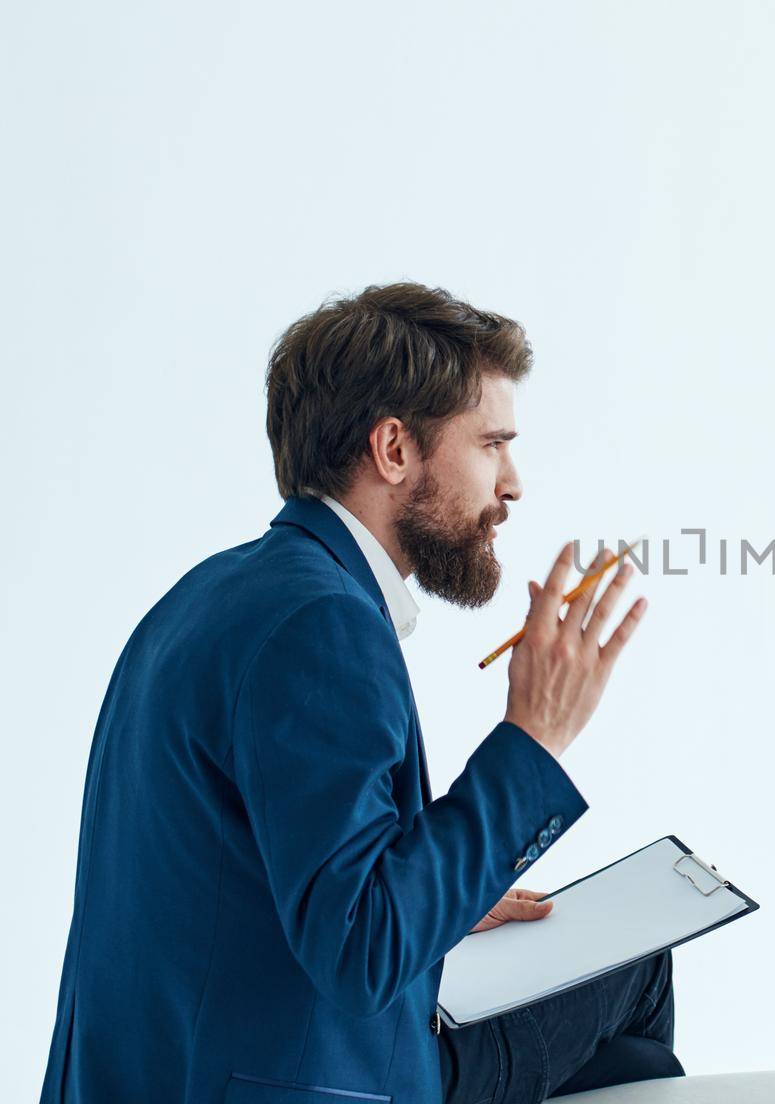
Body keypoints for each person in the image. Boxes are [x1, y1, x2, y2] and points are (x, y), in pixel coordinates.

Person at [40, 283, 681, 1104]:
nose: (512, 484)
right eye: (491, 445)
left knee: (629, 1062)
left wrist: (442, 896)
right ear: (393, 449)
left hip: (171, 1069)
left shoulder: (208, 594)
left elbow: (265, 865)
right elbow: (365, 949)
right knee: (641, 973)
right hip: (304, 1081)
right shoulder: (324, 624)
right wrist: (535, 739)